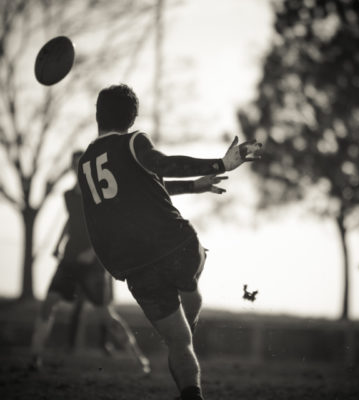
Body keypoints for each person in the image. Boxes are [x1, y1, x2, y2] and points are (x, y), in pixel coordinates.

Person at [77, 84, 261, 400]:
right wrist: (219, 164)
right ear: (132, 118)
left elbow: (136, 190)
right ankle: (190, 298)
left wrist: (193, 186)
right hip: (176, 246)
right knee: (195, 264)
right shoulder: (133, 140)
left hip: (134, 267)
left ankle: (191, 393)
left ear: (98, 114)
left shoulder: (84, 165)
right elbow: (160, 165)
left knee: (179, 343)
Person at [29, 151, 150, 373]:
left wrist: (93, 253)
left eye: (81, 165)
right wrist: (58, 244)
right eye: (74, 165)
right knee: (49, 305)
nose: (77, 169)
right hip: (68, 260)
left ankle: (139, 359)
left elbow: (108, 228)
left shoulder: (98, 194)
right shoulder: (67, 195)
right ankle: (35, 357)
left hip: (93, 265)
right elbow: (71, 220)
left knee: (106, 316)